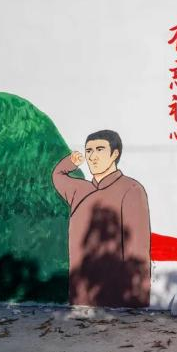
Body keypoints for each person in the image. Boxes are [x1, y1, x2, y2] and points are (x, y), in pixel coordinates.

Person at [52, 130, 150, 308]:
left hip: (115, 294)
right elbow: (57, 176)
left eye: (100, 150)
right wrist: (71, 162)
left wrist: (138, 297)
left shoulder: (131, 189)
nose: (93, 157)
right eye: (89, 151)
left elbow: (137, 249)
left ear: (115, 154)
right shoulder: (80, 189)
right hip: (81, 292)